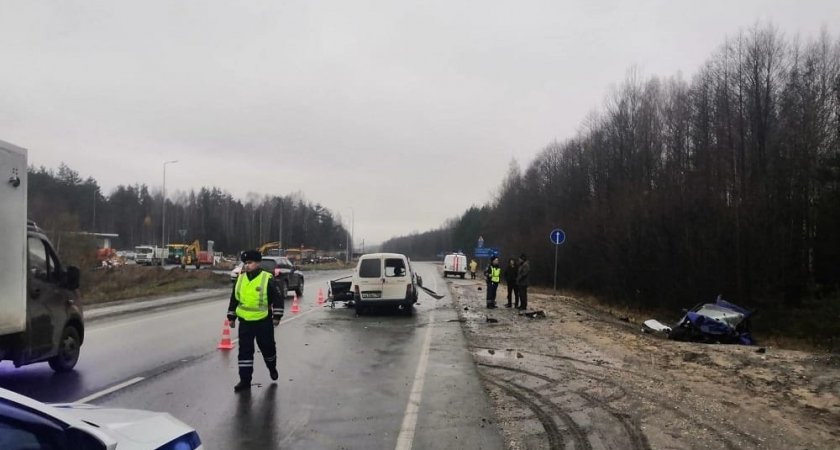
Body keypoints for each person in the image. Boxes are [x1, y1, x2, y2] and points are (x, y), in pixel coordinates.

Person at [227, 250, 284, 393]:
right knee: (245, 352)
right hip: (245, 322)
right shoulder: (240, 279)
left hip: (263, 321)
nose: (247, 266)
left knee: (268, 348)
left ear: (258, 263)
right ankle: (245, 380)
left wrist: (277, 316)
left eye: (250, 263)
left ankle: (272, 367)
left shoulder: (267, 278)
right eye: (245, 263)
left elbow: (278, 298)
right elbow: (234, 298)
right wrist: (231, 317)